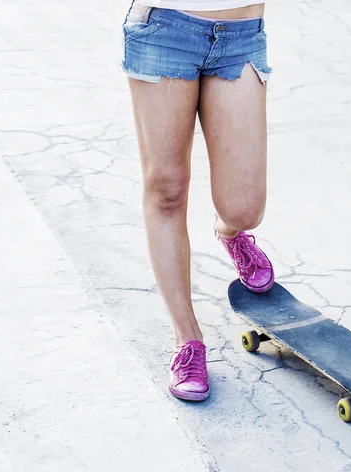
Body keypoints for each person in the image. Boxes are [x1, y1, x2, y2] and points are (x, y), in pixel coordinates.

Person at [121, 0, 274, 401]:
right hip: (163, 30)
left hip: (241, 32)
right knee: (167, 189)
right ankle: (187, 338)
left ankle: (230, 231)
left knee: (244, 208)